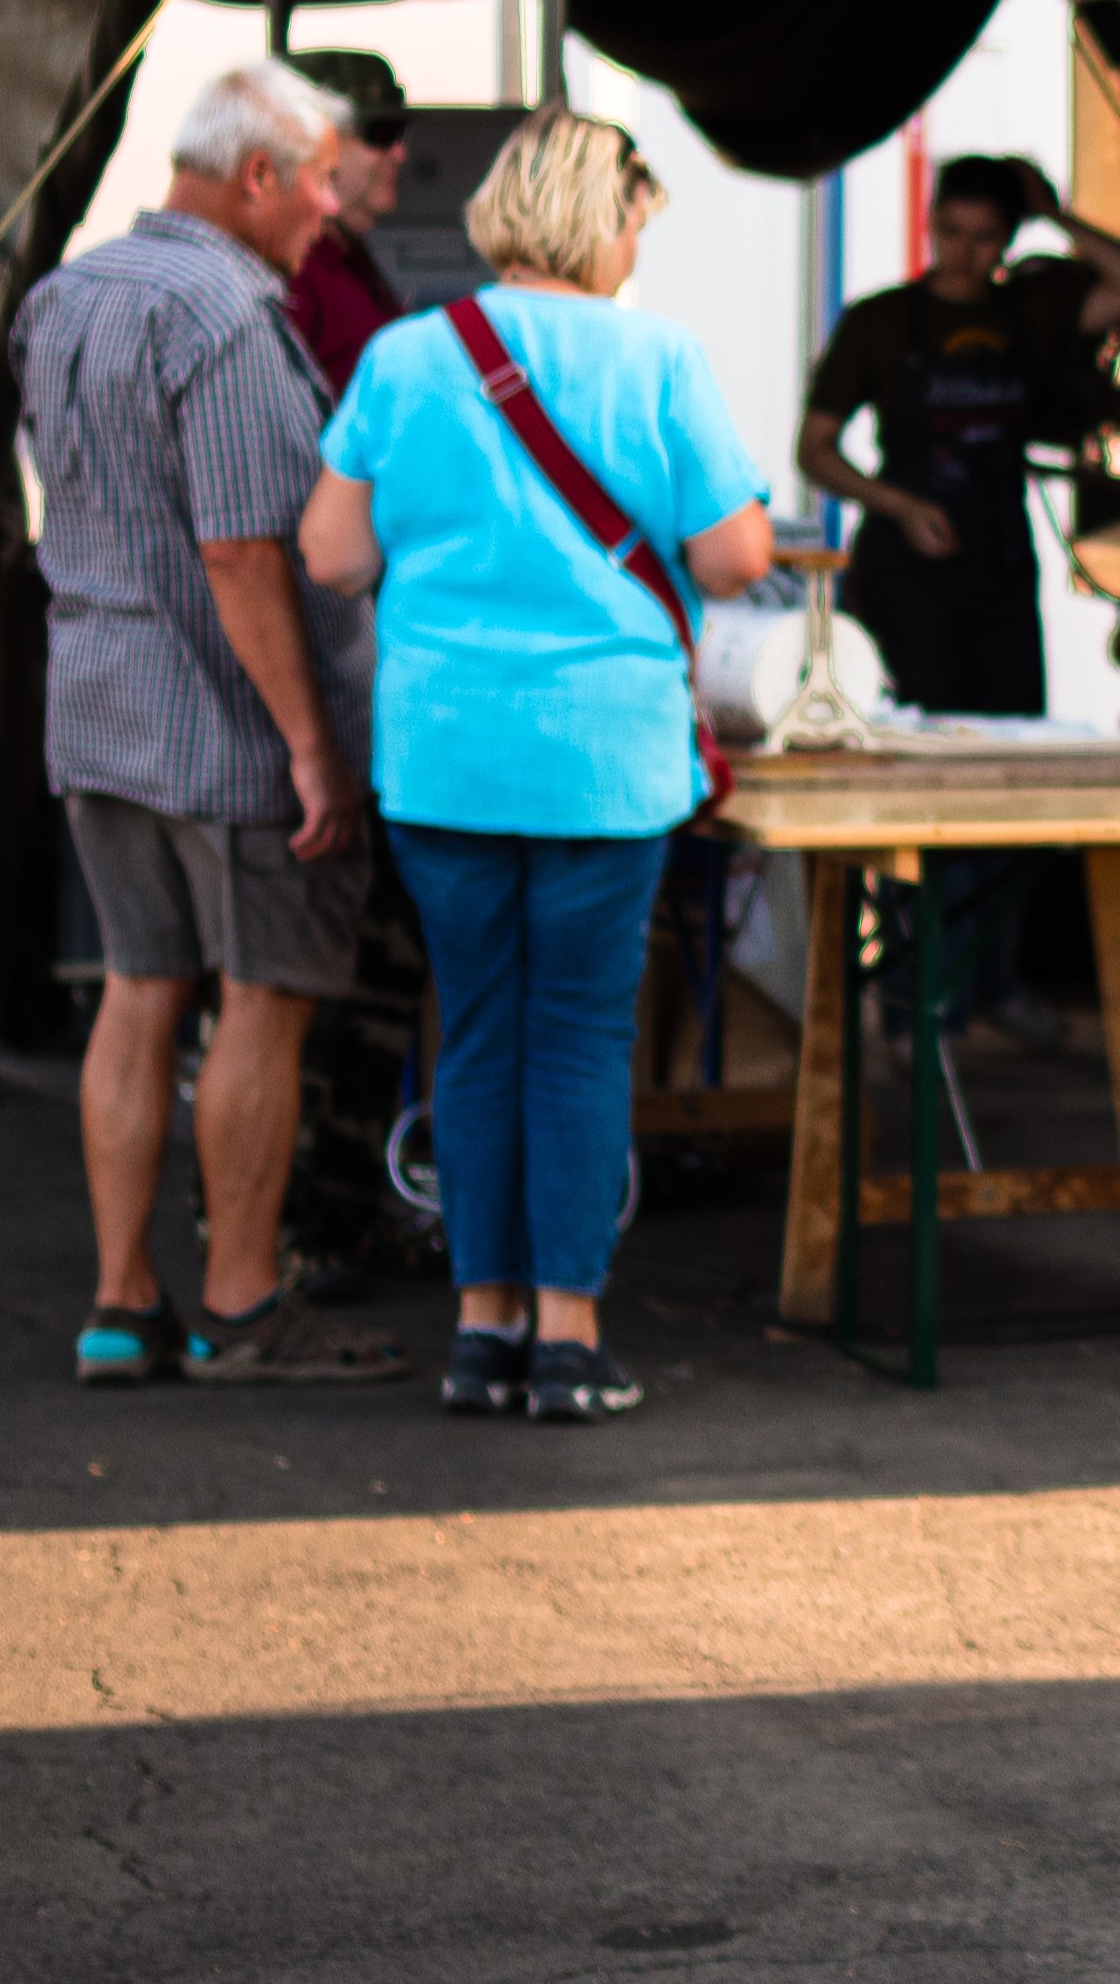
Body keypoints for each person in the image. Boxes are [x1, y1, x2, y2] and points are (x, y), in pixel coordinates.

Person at [302, 109, 776, 1425]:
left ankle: (480, 1326)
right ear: (596, 216)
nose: (638, 246)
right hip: (603, 761)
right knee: (577, 1042)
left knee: (475, 1033)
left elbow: (332, 553)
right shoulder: (660, 358)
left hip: (445, 754)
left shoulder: (405, 358)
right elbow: (736, 558)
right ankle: (568, 1338)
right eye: (636, 219)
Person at [18, 57, 406, 1389]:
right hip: (225, 727)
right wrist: (311, 744)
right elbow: (244, 552)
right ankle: (243, 1301)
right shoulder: (228, 317)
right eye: (316, 187)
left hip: (98, 709)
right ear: (254, 177)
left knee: (137, 996)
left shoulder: (68, 295)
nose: (328, 216)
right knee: (266, 1001)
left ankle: (123, 1302)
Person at [796, 153, 1120, 717]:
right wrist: (901, 507)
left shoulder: (1033, 310)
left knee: (1009, 738)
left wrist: (1053, 214)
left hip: (999, 563)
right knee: (913, 734)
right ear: (931, 221)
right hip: (906, 570)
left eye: (985, 238)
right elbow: (814, 452)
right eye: (952, 232)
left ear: (1010, 236)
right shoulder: (879, 321)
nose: (965, 254)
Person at [273, 49, 410, 392]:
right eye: (381, 133)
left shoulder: (351, 260)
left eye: (400, 132)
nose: (399, 152)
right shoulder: (291, 276)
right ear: (318, 143)